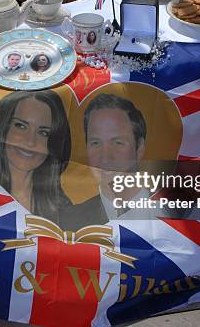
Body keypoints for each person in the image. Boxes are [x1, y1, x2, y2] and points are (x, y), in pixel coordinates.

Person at [0, 91, 72, 223]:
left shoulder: (63, 209)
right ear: (2, 128)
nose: (30, 142)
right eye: (20, 126)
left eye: (43, 133)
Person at [60, 93, 151, 230]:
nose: (106, 156)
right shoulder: (66, 222)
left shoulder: (177, 215)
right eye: (96, 143)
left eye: (118, 143)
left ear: (139, 148)